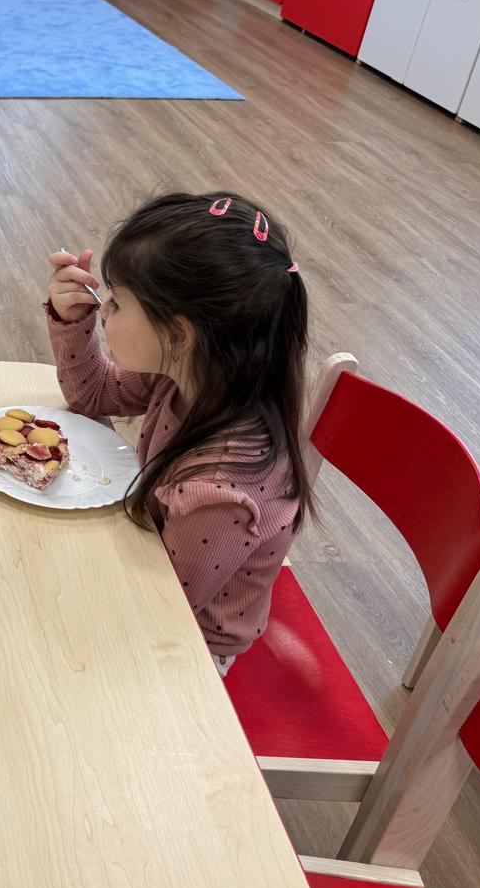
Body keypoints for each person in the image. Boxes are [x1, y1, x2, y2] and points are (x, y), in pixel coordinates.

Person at [46, 192, 311, 674]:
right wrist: (72, 320)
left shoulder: (219, 491)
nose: (103, 311)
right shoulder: (190, 373)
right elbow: (95, 394)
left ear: (178, 334)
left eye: (116, 302)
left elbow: (158, 609)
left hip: (189, 647)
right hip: (146, 555)